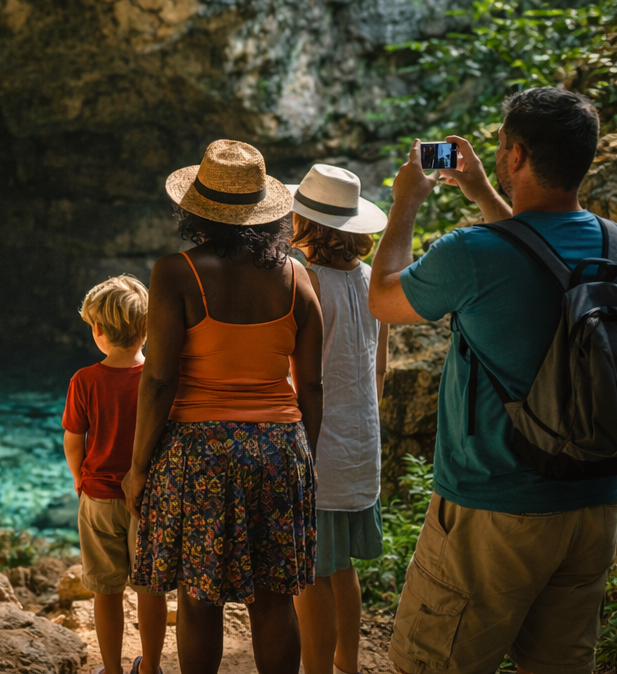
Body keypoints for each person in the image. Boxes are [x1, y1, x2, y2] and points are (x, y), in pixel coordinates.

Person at [369, 87, 617, 674]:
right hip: (593, 503)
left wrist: (405, 202)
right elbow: (534, 256)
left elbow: (382, 299)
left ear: (515, 156)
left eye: (502, 146)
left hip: (493, 510)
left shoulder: (471, 253)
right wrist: (480, 191)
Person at [123, 139, 325, 674]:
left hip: (199, 453)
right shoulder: (298, 276)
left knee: (198, 595)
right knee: (275, 599)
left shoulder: (175, 272)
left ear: (195, 210)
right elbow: (313, 386)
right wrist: (306, 461)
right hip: (280, 448)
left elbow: (160, 379)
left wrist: (138, 468)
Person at [285, 165, 391, 674]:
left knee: (309, 571)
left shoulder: (302, 279)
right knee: (341, 567)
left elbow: (294, 369)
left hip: (317, 441)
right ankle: (347, 666)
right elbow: (380, 367)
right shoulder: (374, 281)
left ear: (306, 224)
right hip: (360, 442)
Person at [63, 275, 169, 674]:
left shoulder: (84, 381)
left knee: (105, 592)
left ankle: (111, 669)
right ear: (147, 329)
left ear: (98, 331)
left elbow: (74, 440)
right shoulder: (158, 379)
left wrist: (79, 478)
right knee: (151, 589)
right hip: (151, 499)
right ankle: (151, 668)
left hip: (99, 498)